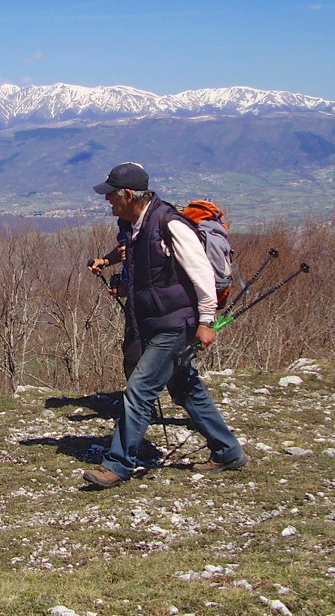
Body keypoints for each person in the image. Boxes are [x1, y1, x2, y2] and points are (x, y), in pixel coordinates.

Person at [84, 162, 247, 489]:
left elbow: (201, 273)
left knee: (140, 389)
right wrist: (113, 269)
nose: (107, 200)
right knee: (186, 388)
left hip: (177, 324)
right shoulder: (137, 225)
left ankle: (117, 464)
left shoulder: (169, 224)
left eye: (111, 195)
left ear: (128, 195)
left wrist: (206, 321)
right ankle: (227, 451)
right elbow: (139, 263)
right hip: (158, 322)